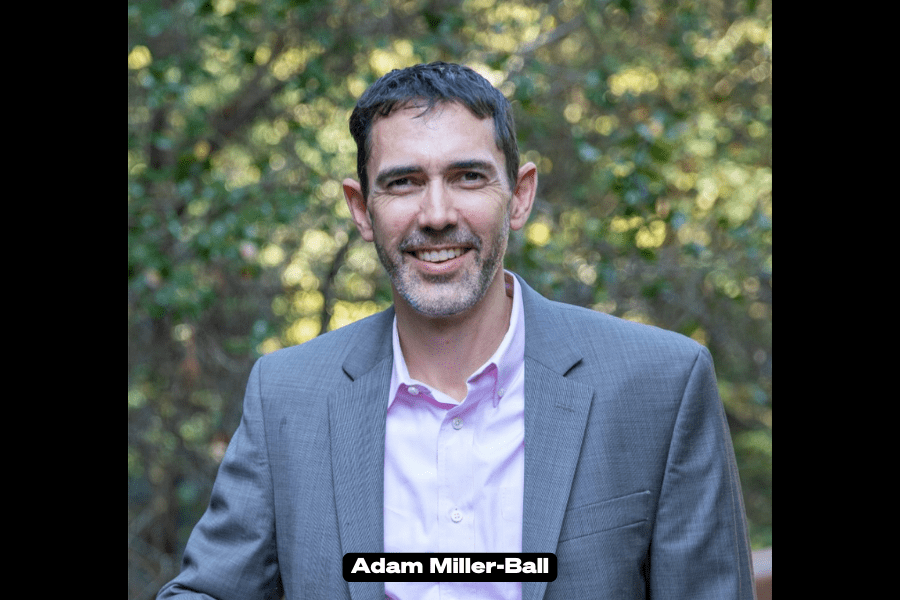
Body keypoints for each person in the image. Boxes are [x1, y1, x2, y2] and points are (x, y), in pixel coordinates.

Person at [158, 62, 756, 599]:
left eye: (468, 177)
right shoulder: (287, 395)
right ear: (362, 209)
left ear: (519, 196)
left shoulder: (661, 385)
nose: (438, 214)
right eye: (403, 182)